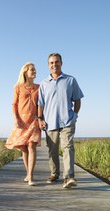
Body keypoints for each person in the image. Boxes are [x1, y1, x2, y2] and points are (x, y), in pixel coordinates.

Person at [37, 53, 84, 188]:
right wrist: (40, 119)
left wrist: (74, 116)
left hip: (67, 121)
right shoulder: (44, 84)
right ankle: (54, 173)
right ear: (48, 65)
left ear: (61, 63)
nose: (54, 65)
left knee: (68, 147)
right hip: (50, 122)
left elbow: (77, 100)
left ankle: (69, 177)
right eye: (51, 63)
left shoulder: (71, 80)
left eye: (56, 62)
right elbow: (40, 103)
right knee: (52, 150)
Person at [5, 62, 41, 186]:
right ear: (25, 72)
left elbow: (41, 104)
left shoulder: (39, 87)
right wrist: (16, 119)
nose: (34, 71)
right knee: (24, 148)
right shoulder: (18, 87)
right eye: (31, 69)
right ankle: (28, 173)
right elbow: (14, 104)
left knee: (31, 146)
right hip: (21, 121)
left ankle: (30, 176)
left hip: (34, 120)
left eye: (35, 69)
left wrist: (41, 118)